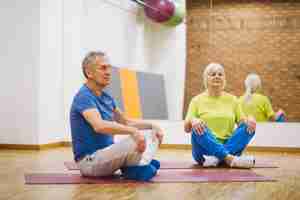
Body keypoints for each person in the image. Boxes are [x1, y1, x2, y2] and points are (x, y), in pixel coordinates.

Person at [70, 51, 163, 181]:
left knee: (151, 133)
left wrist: (153, 126)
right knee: (134, 139)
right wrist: (134, 132)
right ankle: (138, 165)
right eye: (103, 68)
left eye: (109, 68)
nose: (108, 72)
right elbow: (99, 126)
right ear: (89, 72)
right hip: (90, 162)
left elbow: (127, 122)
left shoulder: (107, 98)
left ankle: (135, 166)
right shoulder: (84, 96)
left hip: (107, 155)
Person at [184, 63, 257, 168]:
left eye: (220, 74)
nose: (217, 76)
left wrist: (250, 119)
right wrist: (193, 120)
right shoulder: (196, 100)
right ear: (206, 79)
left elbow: (243, 124)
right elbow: (186, 128)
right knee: (198, 128)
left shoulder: (233, 100)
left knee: (249, 127)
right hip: (204, 153)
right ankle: (229, 159)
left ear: (224, 79)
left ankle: (218, 158)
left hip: (229, 147)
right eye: (212, 74)